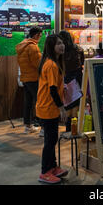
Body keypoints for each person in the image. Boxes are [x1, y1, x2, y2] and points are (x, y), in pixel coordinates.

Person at [36, 34, 69, 184]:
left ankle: (53, 167)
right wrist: (62, 108)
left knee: (53, 139)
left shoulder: (54, 63)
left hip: (50, 107)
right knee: (50, 141)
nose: (62, 46)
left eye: (62, 43)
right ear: (51, 47)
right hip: (47, 108)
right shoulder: (51, 65)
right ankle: (44, 172)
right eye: (58, 44)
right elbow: (52, 90)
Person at [16, 27, 43, 134]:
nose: (40, 38)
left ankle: (28, 126)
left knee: (28, 102)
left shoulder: (22, 45)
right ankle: (43, 128)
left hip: (25, 78)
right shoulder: (33, 47)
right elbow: (38, 64)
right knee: (40, 102)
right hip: (34, 78)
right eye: (40, 36)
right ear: (36, 35)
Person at [58, 30, 85, 131]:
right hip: (78, 78)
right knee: (77, 103)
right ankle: (75, 128)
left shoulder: (61, 51)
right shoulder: (79, 48)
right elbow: (82, 62)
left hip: (66, 78)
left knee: (68, 103)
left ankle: (69, 128)